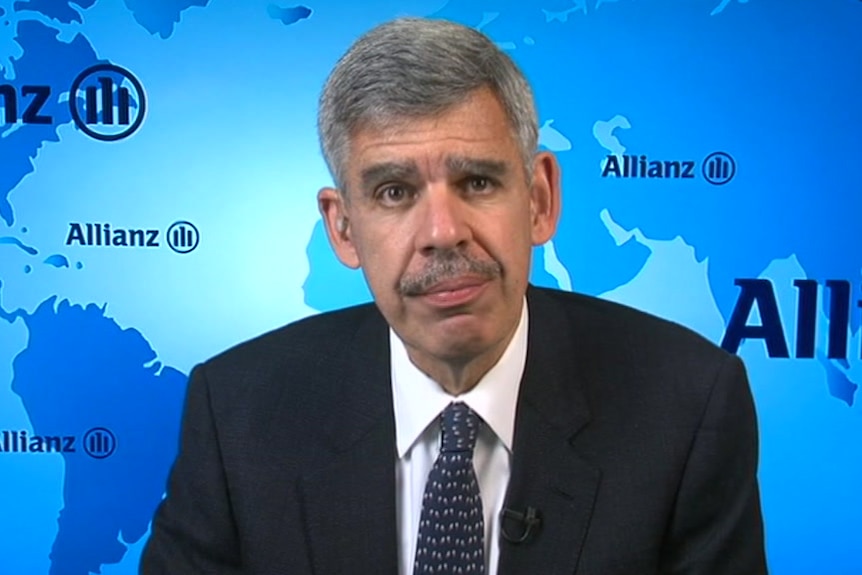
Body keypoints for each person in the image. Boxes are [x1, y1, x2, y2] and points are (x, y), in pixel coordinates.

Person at [141, 17, 767, 575]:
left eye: (476, 180)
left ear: (540, 199)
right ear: (343, 228)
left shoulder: (688, 408)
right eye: (393, 192)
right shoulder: (238, 412)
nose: (443, 233)